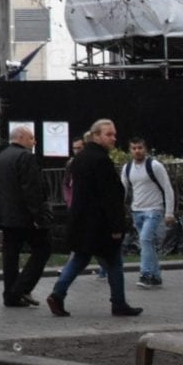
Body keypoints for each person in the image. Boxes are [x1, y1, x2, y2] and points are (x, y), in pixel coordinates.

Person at [47, 118, 142, 318]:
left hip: (81, 221)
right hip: (101, 224)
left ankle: (58, 293)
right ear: (96, 135)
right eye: (109, 134)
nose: (113, 138)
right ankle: (119, 303)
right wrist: (117, 225)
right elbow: (110, 196)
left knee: (80, 258)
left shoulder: (80, 159)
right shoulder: (101, 160)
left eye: (114, 134)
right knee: (114, 262)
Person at [0, 126, 51, 308]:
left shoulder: (1, 157)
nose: (34, 142)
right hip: (23, 216)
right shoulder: (25, 157)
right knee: (43, 248)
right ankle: (20, 289)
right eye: (31, 138)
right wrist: (39, 216)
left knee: (10, 255)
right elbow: (32, 189)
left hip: (5, 216)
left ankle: (10, 295)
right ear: (21, 137)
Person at [122, 137, 176, 290]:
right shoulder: (127, 168)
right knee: (148, 243)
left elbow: (167, 188)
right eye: (134, 148)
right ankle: (156, 276)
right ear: (130, 150)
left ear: (145, 149)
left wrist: (169, 212)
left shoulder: (154, 166)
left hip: (154, 209)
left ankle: (145, 274)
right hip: (137, 210)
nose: (137, 151)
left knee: (145, 239)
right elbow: (123, 189)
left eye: (140, 148)